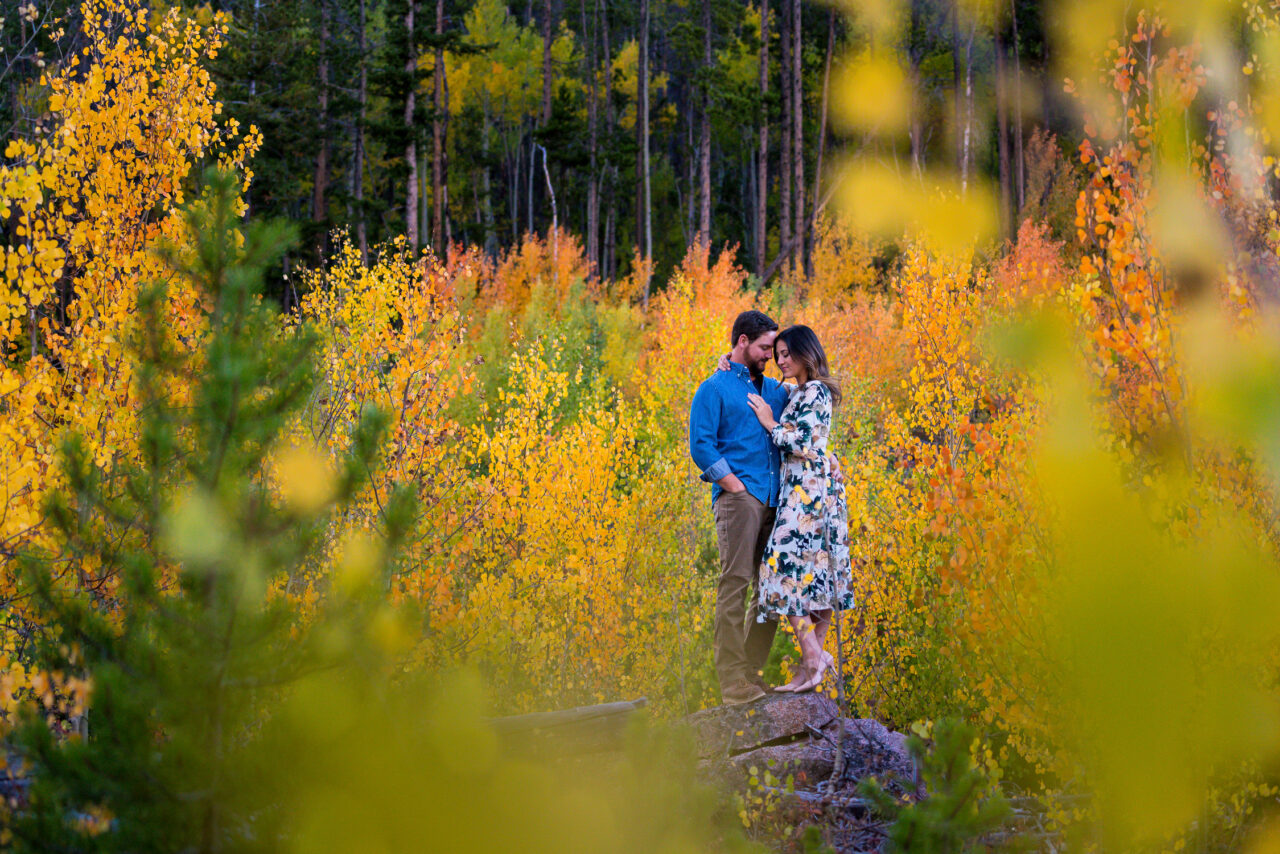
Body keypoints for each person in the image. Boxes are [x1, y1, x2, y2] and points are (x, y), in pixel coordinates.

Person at [744, 324, 853, 694]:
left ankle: (811, 656)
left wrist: (770, 423)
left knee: (779, 566)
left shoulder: (817, 391)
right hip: (810, 489)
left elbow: (803, 441)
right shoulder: (801, 391)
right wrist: (726, 362)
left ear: (808, 351)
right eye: (778, 354)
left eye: (788, 353)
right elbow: (811, 428)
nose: (781, 360)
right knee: (817, 575)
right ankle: (815, 664)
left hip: (810, 493)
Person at [689, 310, 790, 705]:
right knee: (736, 584)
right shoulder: (713, 389)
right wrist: (732, 484)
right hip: (740, 498)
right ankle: (732, 682)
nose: (771, 356)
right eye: (765, 348)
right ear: (743, 341)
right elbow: (701, 444)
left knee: (771, 593)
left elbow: (806, 416)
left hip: (775, 501)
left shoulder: (776, 393)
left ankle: (751, 674)